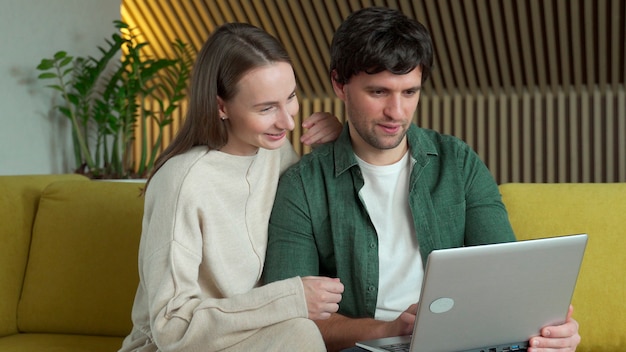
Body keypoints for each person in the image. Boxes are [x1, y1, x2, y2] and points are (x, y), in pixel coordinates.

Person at [263, 6, 581, 352]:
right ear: (339, 84)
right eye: (379, 92)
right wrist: (391, 328)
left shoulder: (458, 162)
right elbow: (290, 317)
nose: (396, 113)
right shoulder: (303, 185)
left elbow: (507, 279)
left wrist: (549, 330)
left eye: (410, 92)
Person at [118, 23, 345, 352]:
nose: (288, 122)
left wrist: (335, 145)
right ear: (221, 106)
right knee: (300, 333)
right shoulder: (183, 182)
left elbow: (309, 215)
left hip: (248, 338)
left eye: (291, 97)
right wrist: (289, 299)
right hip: (173, 347)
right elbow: (170, 328)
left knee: (303, 331)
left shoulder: (274, 152)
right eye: (266, 108)